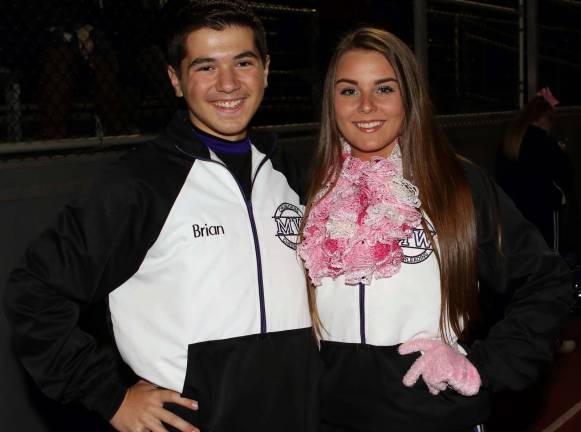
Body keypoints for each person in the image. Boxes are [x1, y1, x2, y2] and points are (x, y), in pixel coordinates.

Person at [4, 2, 319, 432]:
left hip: (295, 414)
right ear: (175, 79)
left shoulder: (291, 172)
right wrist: (110, 397)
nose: (228, 84)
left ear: (265, 70)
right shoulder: (139, 184)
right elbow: (34, 291)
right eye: (205, 68)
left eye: (242, 63)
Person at [297, 27, 573, 432]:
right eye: (349, 91)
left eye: (385, 89)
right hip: (330, 420)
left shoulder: (457, 185)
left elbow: (548, 281)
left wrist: (486, 367)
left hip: (437, 419)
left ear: (409, 96)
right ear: (331, 102)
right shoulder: (307, 189)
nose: (367, 106)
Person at [497, 88, 575, 252]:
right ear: (545, 119)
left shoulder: (510, 138)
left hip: (515, 209)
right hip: (543, 208)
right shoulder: (543, 141)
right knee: (549, 257)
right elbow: (565, 172)